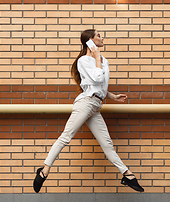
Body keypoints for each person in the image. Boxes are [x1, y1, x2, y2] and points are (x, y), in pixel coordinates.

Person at [33, 29, 144, 193]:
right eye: (99, 35)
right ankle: (44, 170)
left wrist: (113, 97)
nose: (102, 37)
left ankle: (127, 175)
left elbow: (101, 85)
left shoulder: (103, 61)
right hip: (86, 103)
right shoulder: (84, 60)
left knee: (107, 145)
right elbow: (97, 79)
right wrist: (96, 56)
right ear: (89, 41)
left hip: (96, 105)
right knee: (66, 137)